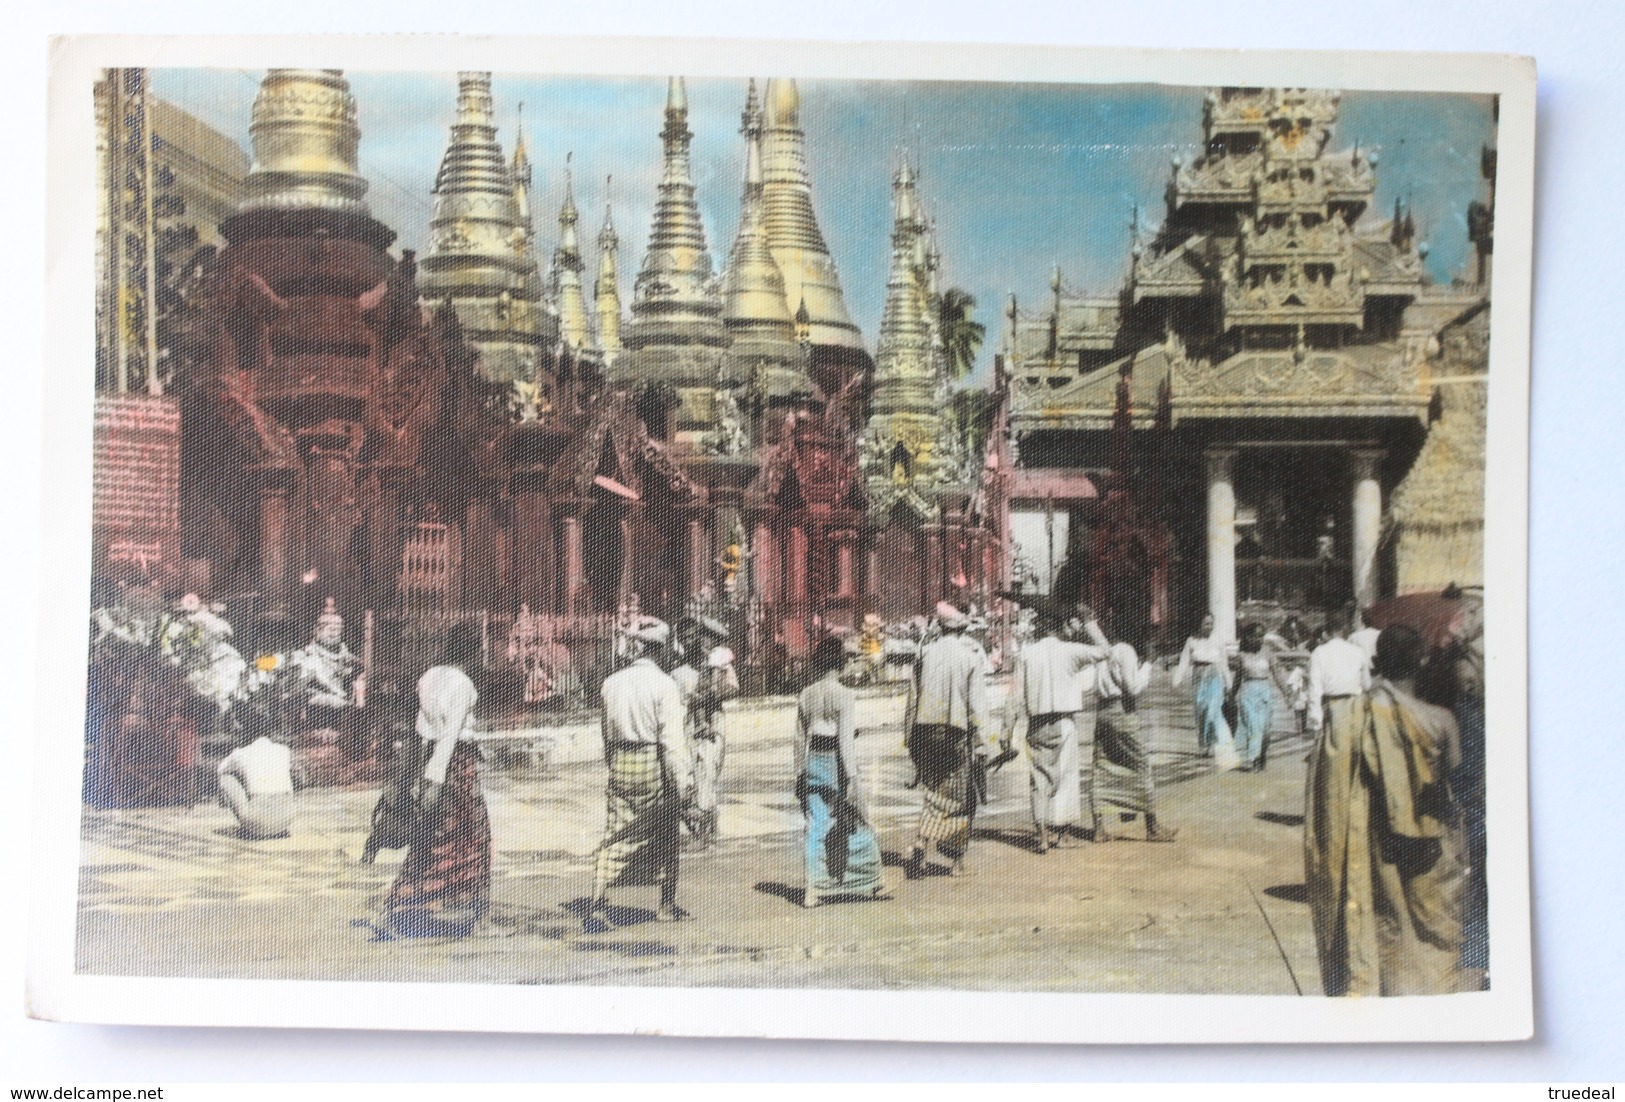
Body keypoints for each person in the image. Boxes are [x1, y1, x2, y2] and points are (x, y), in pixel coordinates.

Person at [1305, 624, 1469, 996]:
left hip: (1368, 843)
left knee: (1373, 928)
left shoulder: (1348, 716)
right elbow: (1457, 785)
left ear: (1375, 661)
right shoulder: (1441, 720)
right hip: (1427, 852)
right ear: (1424, 661)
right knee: (1428, 942)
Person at [585, 616, 694, 933]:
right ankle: (665, 904)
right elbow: (673, 743)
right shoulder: (665, 685)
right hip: (653, 763)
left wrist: (613, 765)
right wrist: (683, 786)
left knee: (615, 834)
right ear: (659, 650)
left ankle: (597, 903)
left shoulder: (611, 683)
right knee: (667, 831)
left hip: (620, 762)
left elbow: (605, 734)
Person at [381, 622, 490, 939]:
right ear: (471, 651)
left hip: (427, 760)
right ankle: (461, 906)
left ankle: (408, 898)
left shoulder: (428, 676)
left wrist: (412, 776)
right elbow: (450, 736)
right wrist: (435, 781)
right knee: (470, 833)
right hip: (454, 767)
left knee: (429, 833)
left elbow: (421, 731)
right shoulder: (464, 684)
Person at [795, 636, 891, 907]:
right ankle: (872, 881)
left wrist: (799, 773)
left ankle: (813, 888)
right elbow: (845, 741)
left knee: (816, 825)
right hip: (836, 764)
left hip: (813, 761)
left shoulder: (806, 695)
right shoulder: (845, 695)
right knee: (857, 821)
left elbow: (799, 739)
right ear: (839, 662)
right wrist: (851, 777)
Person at [1003, 605, 1108, 851]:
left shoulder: (1027, 654)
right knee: (1067, 777)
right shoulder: (1071, 651)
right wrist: (1089, 622)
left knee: (1039, 778)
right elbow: (1105, 651)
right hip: (1064, 722)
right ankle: (1063, 835)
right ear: (1061, 626)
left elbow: (1014, 698)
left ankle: (1041, 834)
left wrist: (1006, 734)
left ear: (1040, 627)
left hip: (1036, 723)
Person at [904, 601, 992, 879]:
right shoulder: (970, 657)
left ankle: (921, 841)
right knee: (960, 796)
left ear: (940, 628)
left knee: (933, 789)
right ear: (963, 629)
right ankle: (956, 861)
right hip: (955, 731)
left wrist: (910, 739)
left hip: (926, 730)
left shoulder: (926, 653)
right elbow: (977, 707)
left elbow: (912, 700)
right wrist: (984, 743)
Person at [1091, 637, 1177, 842]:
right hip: (1122, 712)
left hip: (1102, 713)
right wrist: (1148, 663)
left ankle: (1098, 829)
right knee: (1141, 765)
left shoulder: (1103, 650)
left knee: (1102, 766)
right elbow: (1133, 688)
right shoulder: (1125, 650)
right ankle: (1152, 826)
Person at [670, 617, 739, 849]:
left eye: (693, 636)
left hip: (713, 725)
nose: (690, 642)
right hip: (688, 728)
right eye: (685, 638)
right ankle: (703, 827)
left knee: (707, 772)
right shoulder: (677, 673)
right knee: (690, 776)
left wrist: (711, 695)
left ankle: (704, 835)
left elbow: (733, 688)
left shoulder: (717, 664)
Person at [1173, 612, 1237, 766]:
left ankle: (1213, 743)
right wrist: (1177, 679)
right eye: (1206, 623)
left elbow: (1223, 665)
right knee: (1200, 712)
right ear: (1200, 625)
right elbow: (1184, 662)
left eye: (1211, 623)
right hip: (1199, 678)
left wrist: (1229, 685)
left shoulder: (1218, 641)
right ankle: (1203, 744)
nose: (1209, 626)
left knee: (1212, 711)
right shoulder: (1191, 641)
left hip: (1215, 677)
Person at [216, 733, 294, 839]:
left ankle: (249, 826)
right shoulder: (284, 750)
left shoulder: (240, 753)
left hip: (256, 822)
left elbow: (220, 769)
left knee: (225, 777)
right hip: (287, 818)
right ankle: (275, 829)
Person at [1231, 623, 1280, 771]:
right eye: (1256, 636)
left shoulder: (1268, 652)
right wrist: (1231, 695)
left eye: (1261, 636)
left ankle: (1262, 755)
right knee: (1253, 726)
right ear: (1248, 637)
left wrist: (1287, 692)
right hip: (1247, 692)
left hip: (1264, 691)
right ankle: (1253, 759)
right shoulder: (1241, 655)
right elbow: (1238, 678)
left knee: (1265, 730)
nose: (1259, 639)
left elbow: (1278, 674)